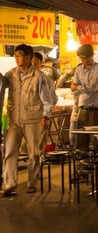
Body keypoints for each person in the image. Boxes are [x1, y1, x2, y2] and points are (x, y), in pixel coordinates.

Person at [1, 44, 57, 197]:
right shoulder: (10, 75)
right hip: (14, 120)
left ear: (28, 58)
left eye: (19, 55)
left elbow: (48, 100)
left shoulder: (39, 77)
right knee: (10, 151)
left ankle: (32, 183)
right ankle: (9, 184)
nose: (17, 59)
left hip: (33, 120)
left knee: (34, 153)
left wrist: (45, 117)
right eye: (16, 56)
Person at [71, 44, 98, 151]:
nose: (84, 60)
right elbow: (73, 87)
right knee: (81, 142)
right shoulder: (78, 70)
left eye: (86, 58)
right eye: (81, 58)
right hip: (82, 110)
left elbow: (93, 87)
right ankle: (84, 166)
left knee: (97, 143)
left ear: (92, 56)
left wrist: (78, 87)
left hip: (96, 110)